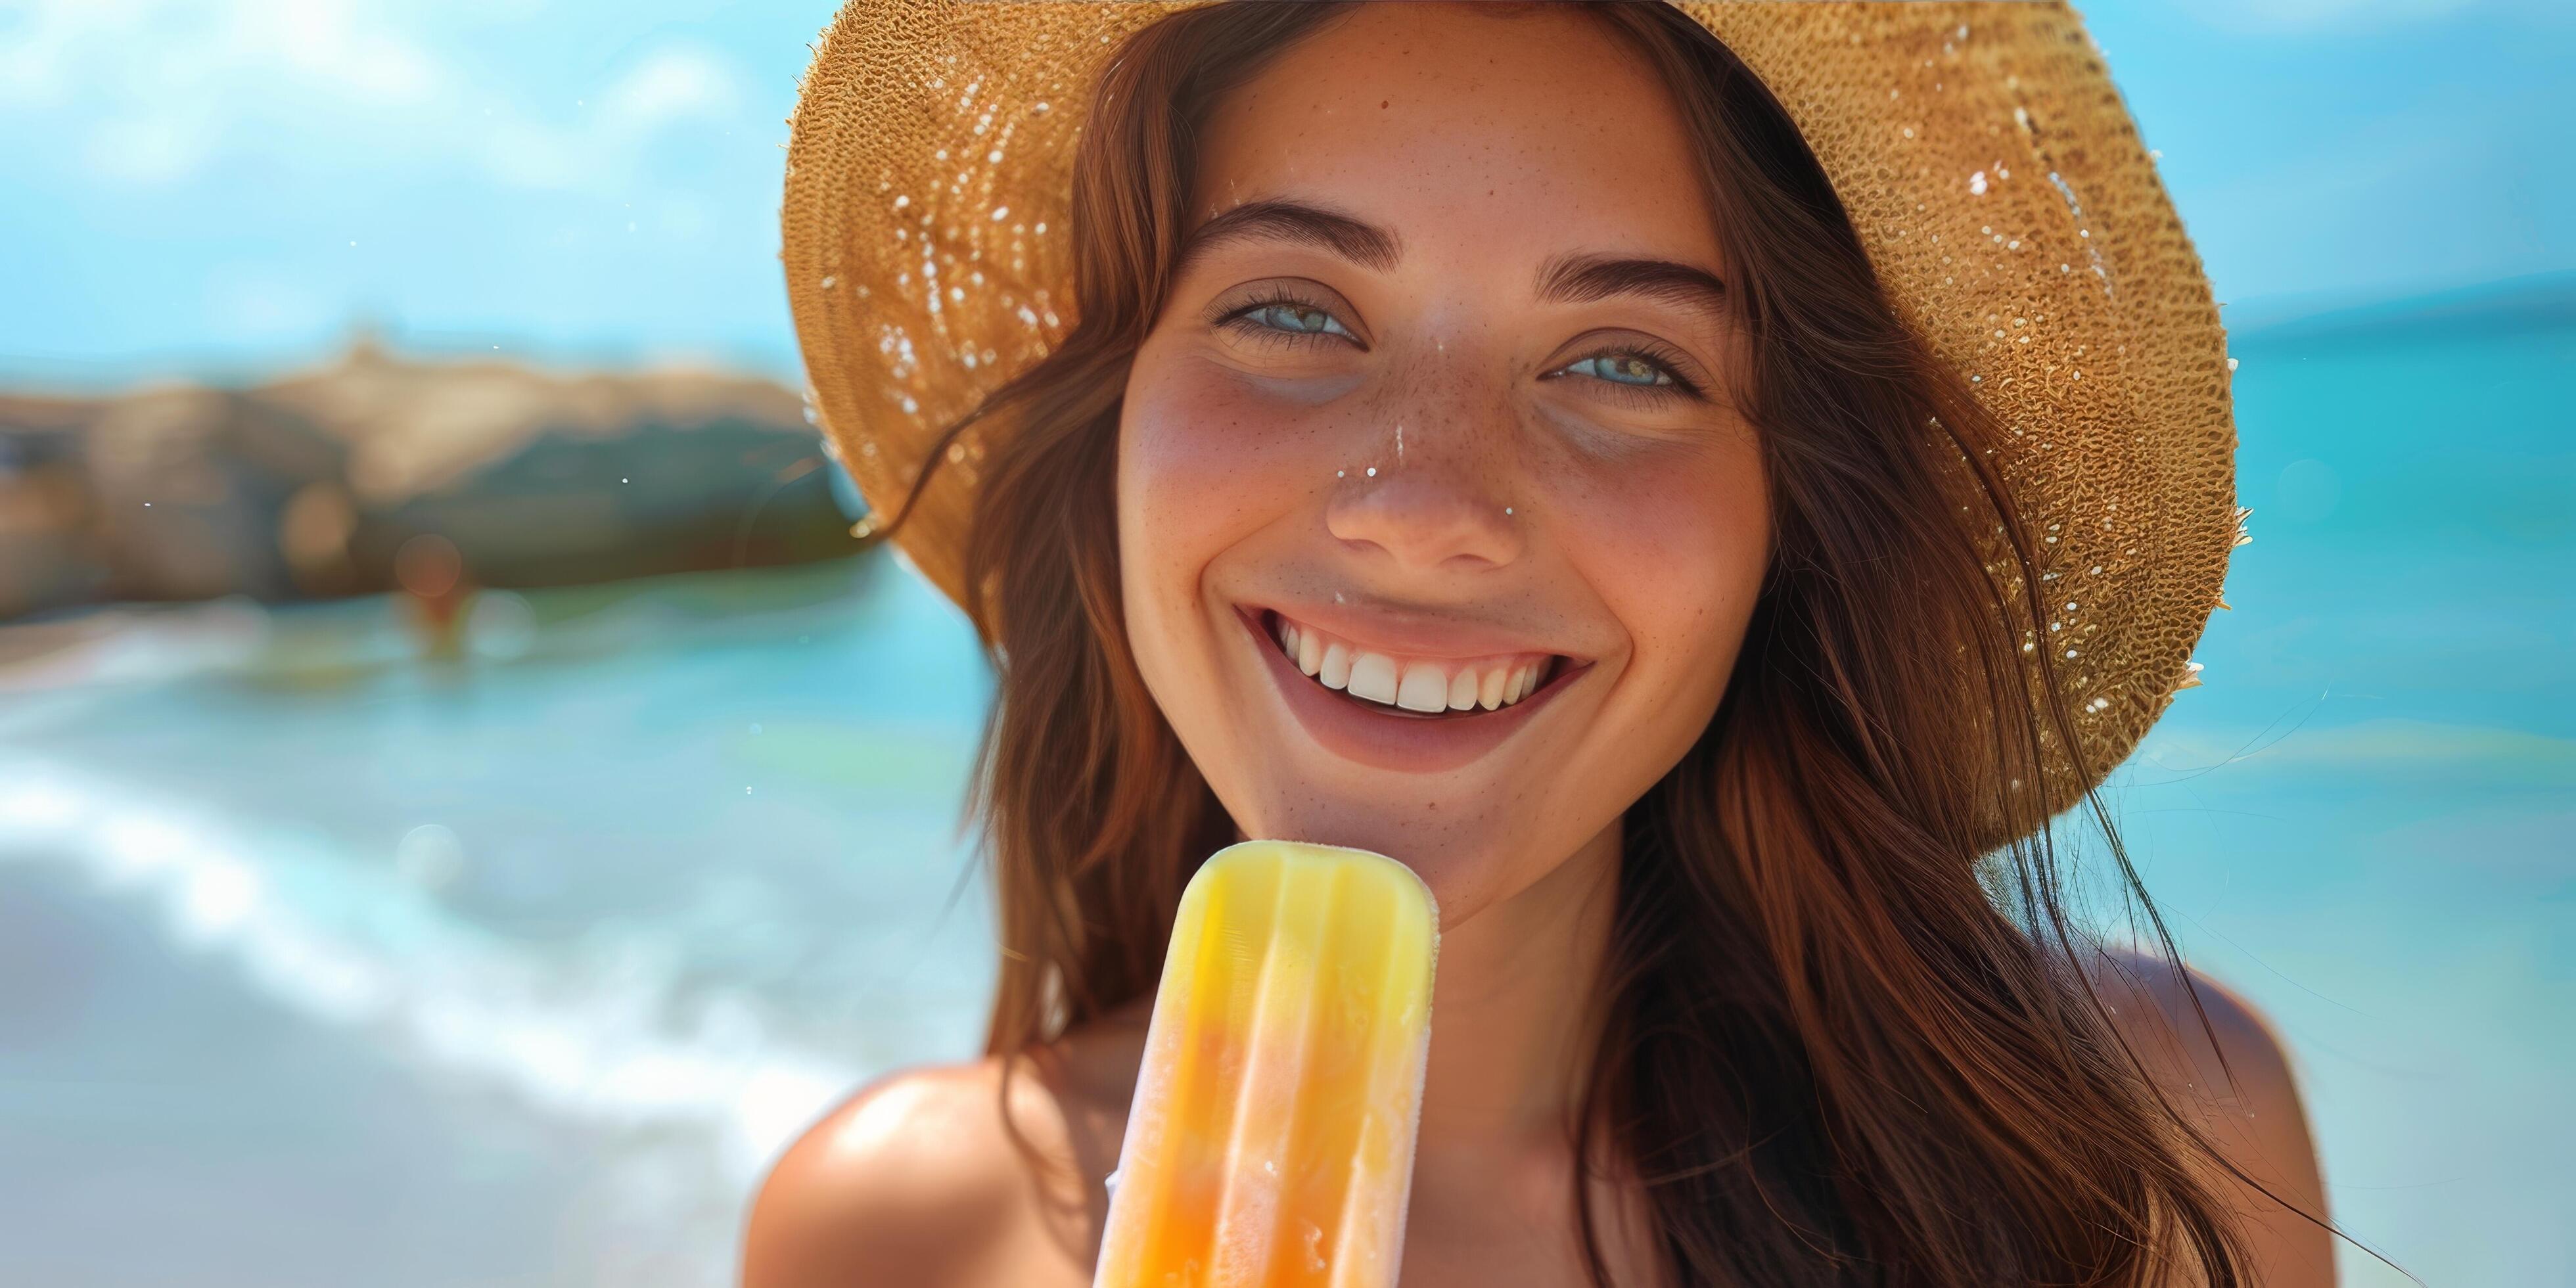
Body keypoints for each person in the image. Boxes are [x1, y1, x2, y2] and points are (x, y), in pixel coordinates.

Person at [748, 3, 2334, 1284]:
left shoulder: (2142, 1147)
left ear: (1792, 515)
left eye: (1625, 362)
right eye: (1294, 311)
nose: (1424, 507)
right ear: (1113, 435)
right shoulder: (893, 1233)